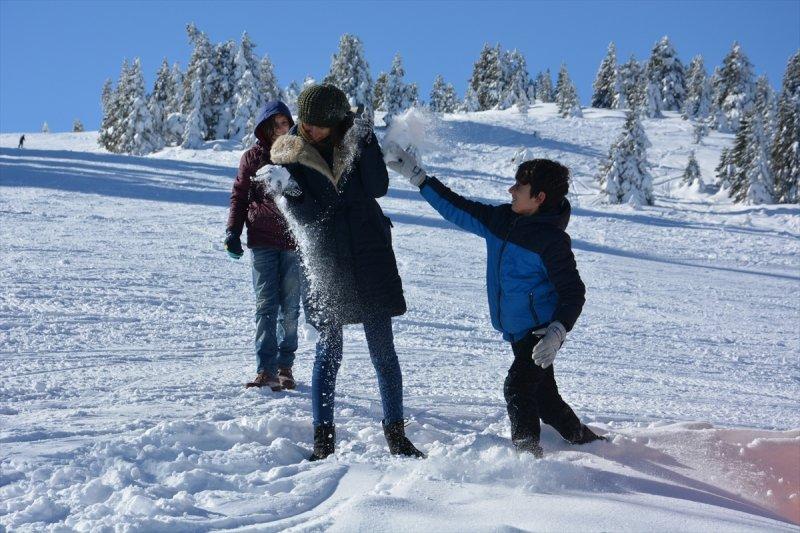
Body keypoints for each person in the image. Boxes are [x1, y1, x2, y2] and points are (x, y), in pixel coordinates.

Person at [384, 145, 606, 457]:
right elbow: (459, 209)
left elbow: (573, 292)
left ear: (539, 198)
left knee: (517, 388)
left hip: (539, 334)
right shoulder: (502, 220)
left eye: (520, 186)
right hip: (518, 333)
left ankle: (527, 458)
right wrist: (419, 178)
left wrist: (557, 330)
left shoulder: (551, 242)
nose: (511, 189)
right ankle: (590, 443)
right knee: (545, 400)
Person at [270, 84, 424, 460]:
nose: (310, 131)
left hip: (371, 253)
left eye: (320, 125)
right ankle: (323, 440)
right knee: (328, 350)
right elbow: (307, 218)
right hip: (326, 260)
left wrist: (366, 142)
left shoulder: (354, 138)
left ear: (338, 121)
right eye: (306, 124)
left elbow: (378, 187)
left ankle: (396, 435)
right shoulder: (291, 155)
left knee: (383, 351)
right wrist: (290, 193)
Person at [225, 101, 301, 392]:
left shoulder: (297, 156)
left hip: (294, 241)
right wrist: (233, 231)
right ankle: (265, 369)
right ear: (266, 126)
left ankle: (285, 366)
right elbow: (239, 196)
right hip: (262, 240)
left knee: (290, 308)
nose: (282, 128)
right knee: (266, 306)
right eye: (277, 124)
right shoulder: (251, 158)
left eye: (286, 123)